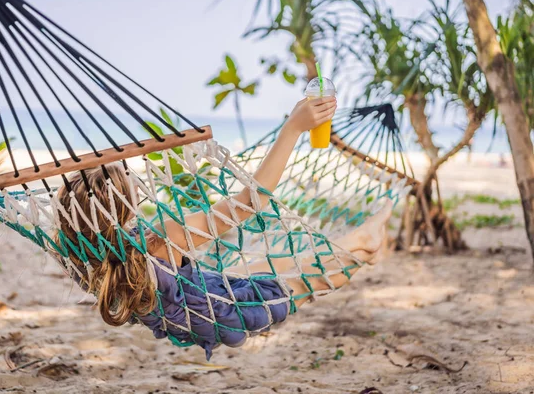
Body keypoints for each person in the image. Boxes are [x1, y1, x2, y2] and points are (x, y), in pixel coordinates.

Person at [55, 97, 392, 359]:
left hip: (200, 298)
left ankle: (365, 247)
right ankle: (362, 243)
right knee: (308, 277)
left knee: (266, 268)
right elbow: (248, 204)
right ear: (126, 205)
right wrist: (293, 128)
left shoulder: (78, 254)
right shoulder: (159, 241)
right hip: (222, 312)